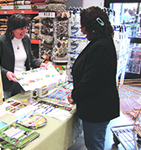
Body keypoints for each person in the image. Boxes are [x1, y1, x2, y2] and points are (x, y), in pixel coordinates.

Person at [67, 6, 120, 150]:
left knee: (94, 145)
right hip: (97, 106)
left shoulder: (101, 46)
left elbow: (91, 81)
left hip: (97, 109)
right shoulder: (102, 42)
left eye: (83, 26)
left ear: (92, 27)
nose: (82, 30)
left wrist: (74, 95)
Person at [0, 13, 47, 100]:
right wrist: (6, 73)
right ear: (12, 29)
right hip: (7, 85)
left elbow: (30, 58)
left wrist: (40, 64)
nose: (24, 31)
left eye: (25, 28)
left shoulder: (26, 39)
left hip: (23, 82)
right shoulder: (1, 42)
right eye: (21, 29)